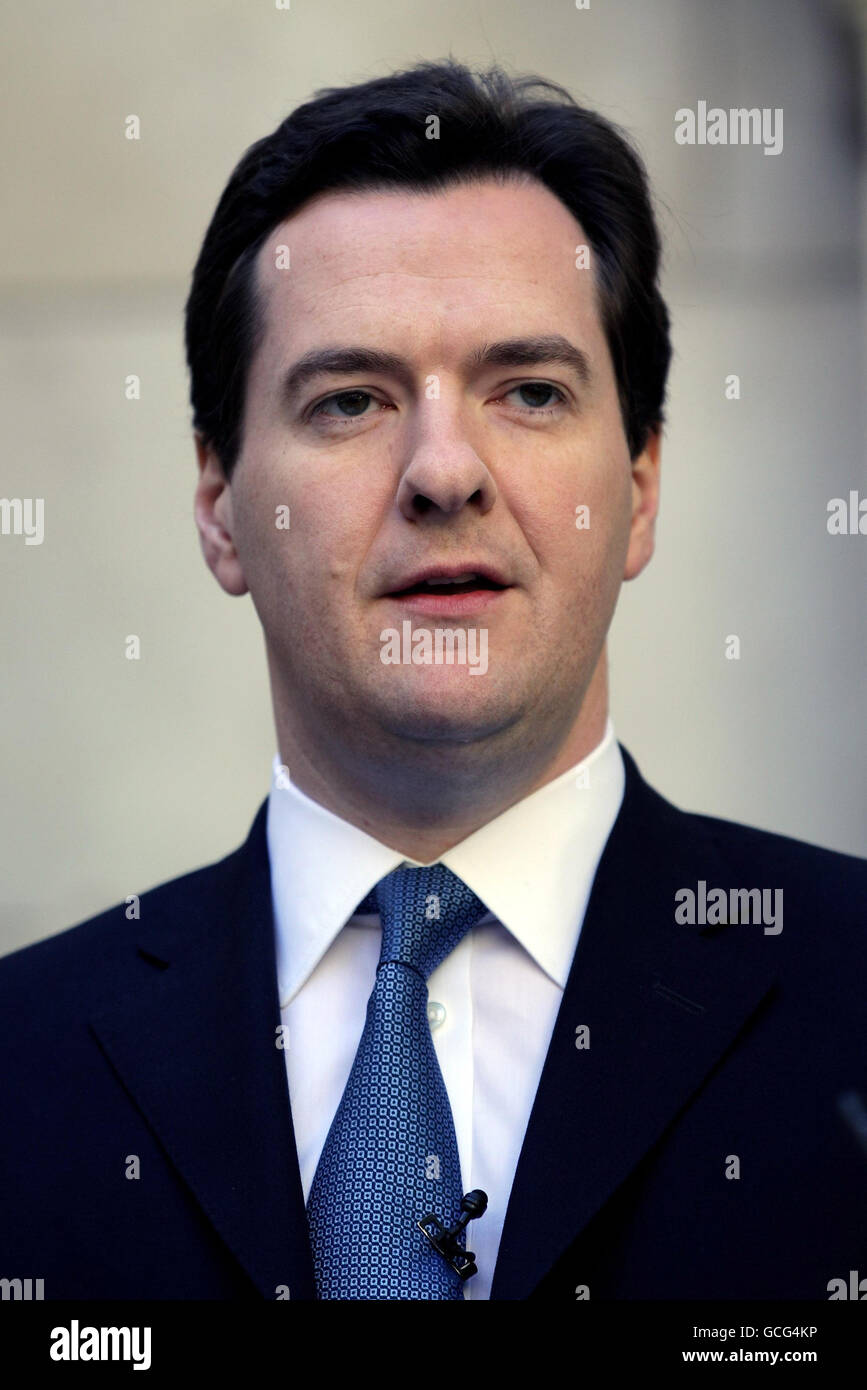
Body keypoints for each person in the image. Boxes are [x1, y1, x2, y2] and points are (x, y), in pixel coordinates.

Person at [1, 59, 864, 1303]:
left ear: (639, 487)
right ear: (218, 505)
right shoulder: (21, 1068)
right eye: (351, 400)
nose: (445, 471)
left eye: (529, 391)